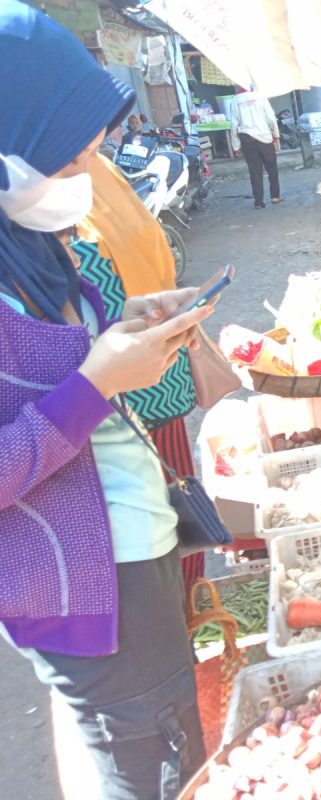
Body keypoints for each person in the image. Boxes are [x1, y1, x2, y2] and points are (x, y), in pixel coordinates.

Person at [0, 3, 212, 797]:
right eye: (69, 158)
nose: (88, 175)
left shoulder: (30, 250)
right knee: (151, 764)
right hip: (80, 582)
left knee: (169, 732)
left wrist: (129, 319)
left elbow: (58, 351)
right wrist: (97, 384)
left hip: (133, 548)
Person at [74, 152, 206, 590]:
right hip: (128, 391)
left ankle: (189, 601)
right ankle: (187, 601)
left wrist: (134, 313)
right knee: (166, 506)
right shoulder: (84, 192)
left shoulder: (88, 188)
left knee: (172, 502)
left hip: (141, 383)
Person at [229, 86, 282, 209]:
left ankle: (258, 202)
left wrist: (236, 146)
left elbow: (233, 125)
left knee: (255, 171)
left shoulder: (236, 100)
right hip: (265, 138)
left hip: (247, 139)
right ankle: (275, 196)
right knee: (272, 167)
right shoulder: (261, 96)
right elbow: (271, 118)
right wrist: (276, 135)